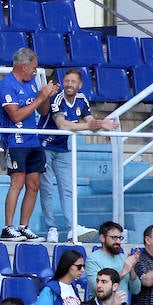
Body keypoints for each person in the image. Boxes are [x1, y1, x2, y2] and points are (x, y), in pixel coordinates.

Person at [39, 68, 115, 243]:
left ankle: (73, 227)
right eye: (67, 81)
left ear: (79, 85)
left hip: (63, 148)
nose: (69, 85)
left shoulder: (82, 100)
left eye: (73, 82)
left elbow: (89, 121)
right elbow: (62, 125)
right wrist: (91, 126)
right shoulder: (57, 98)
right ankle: (51, 228)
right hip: (45, 145)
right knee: (47, 189)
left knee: (67, 188)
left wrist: (101, 124)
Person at [0, 47, 57, 242]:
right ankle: (8, 227)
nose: (35, 70)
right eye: (33, 67)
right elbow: (15, 116)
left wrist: (45, 96)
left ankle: (24, 227)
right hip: (15, 140)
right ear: (23, 66)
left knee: (34, 184)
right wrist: (39, 98)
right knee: (17, 182)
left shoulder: (32, 83)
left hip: (33, 140)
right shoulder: (6, 85)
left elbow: (44, 112)